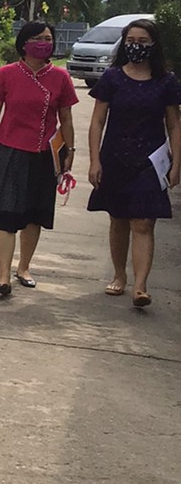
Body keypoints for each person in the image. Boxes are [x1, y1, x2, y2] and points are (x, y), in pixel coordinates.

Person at [86, 18, 181, 309]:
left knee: (144, 221)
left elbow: (174, 125)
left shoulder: (166, 81)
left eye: (142, 42)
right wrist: (94, 160)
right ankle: (119, 275)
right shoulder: (112, 78)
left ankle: (140, 286)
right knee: (118, 219)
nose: (135, 46)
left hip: (151, 162)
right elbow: (97, 121)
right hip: (115, 158)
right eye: (130, 41)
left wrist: (176, 164)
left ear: (153, 45)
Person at [0, 19, 78, 296]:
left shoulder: (61, 78)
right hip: (10, 150)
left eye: (48, 38)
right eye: (37, 38)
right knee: (6, 213)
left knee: (35, 214)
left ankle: (24, 268)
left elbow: (66, 119)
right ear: (24, 43)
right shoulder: (7, 74)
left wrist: (70, 152)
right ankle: (3, 276)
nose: (43, 43)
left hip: (45, 154)